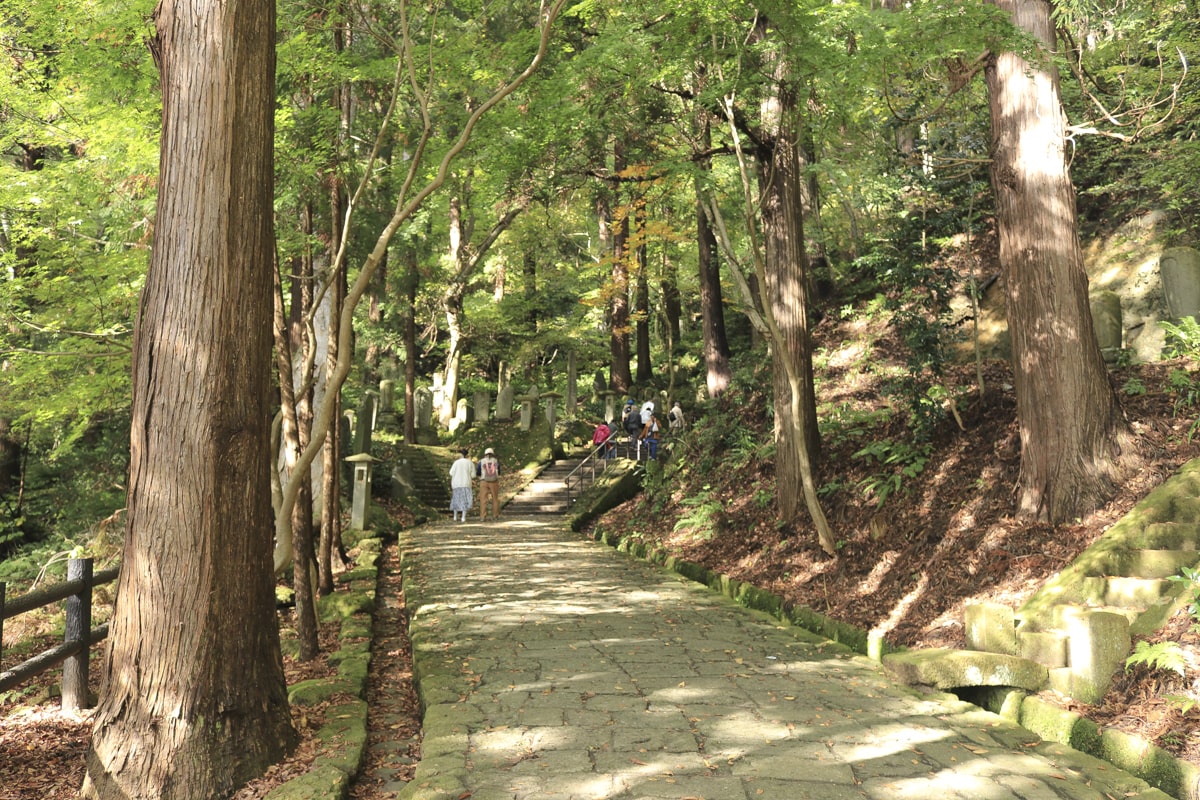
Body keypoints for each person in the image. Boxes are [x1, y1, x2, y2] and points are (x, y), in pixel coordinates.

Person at [448, 449, 475, 522]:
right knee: (465, 500)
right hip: (466, 483)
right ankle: (463, 517)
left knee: (456, 499)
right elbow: (473, 475)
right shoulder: (470, 463)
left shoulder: (456, 463)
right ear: (467, 455)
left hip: (456, 484)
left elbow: (451, 473)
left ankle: (455, 516)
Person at [477, 447, 502, 520]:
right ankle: (495, 515)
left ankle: (483, 516)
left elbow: (478, 472)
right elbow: (499, 472)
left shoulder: (481, 461)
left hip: (484, 481)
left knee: (483, 499)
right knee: (495, 498)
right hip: (494, 481)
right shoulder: (496, 461)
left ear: (485, 454)